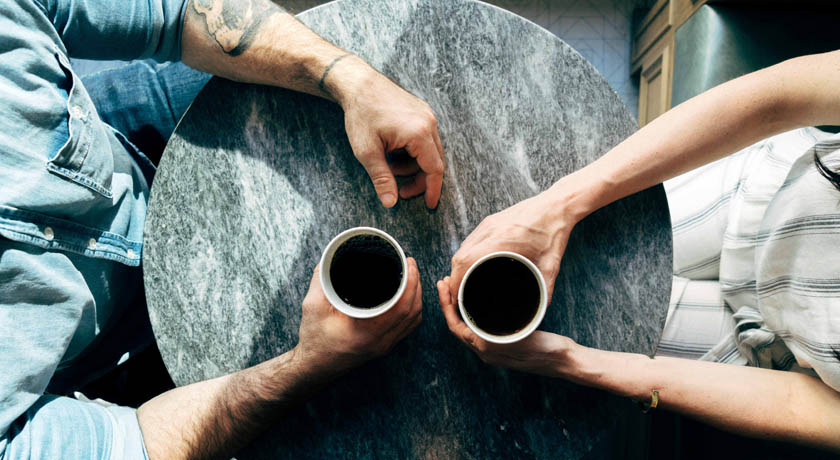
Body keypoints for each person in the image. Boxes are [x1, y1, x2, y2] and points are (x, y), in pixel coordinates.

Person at [0, 0, 443, 458]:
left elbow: (177, 15)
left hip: (108, 140)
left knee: (393, 93)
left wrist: (351, 79)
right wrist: (307, 365)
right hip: (103, 341)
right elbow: (128, 445)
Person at [439, 50, 840, 451]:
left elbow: (798, 407)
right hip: (760, 199)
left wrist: (569, 360)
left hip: (776, 355)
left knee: (591, 328)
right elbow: (776, 98)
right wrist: (557, 207)